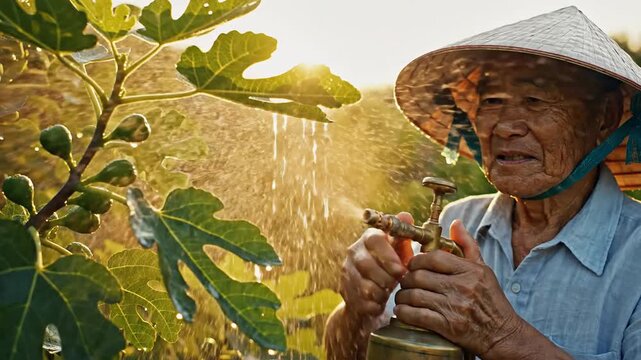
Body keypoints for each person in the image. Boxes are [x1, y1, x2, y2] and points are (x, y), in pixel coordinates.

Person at [325, 6, 641, 359]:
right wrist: (357, 311)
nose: (505, 127)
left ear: (606, 117)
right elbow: (346, 352)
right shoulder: (457, 224)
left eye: (534, 101)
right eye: (492, 101)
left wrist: (501, 335)